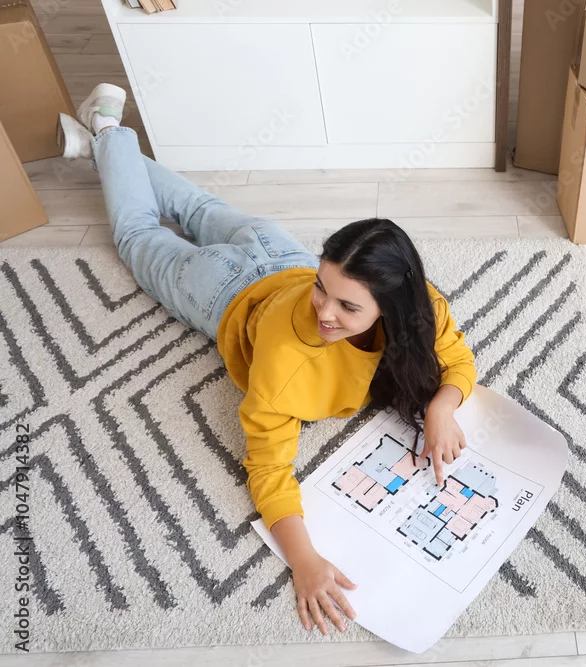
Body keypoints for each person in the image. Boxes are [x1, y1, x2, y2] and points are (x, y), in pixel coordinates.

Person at [64, 84, 478, 637]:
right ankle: (107, 130)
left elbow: (458, 359)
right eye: (323, 289)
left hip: (279, 251)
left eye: (347, 305)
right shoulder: (286, 363)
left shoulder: (424, 308)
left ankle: (106, 146)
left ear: (394, 306)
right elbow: (267, 466)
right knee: (138, 235)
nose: (325, 311)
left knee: (198, 208)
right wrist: (304, 560)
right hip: (217, 289)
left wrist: (442, 408)